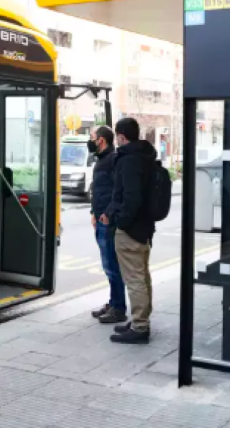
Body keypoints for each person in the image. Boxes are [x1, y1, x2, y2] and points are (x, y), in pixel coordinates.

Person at [100, 117, 156, 344]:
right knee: (142, 276)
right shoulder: (145, 157)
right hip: (144, 227)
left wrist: (120, 221)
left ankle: (140, 327)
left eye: (118, 136)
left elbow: (130, 197)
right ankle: (139, 320)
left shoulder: (128, 160)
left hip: (131, 229)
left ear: (122, 136)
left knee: (134, 278)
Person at [87, 126, 126, 324]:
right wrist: (94, 213)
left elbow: (116, 191)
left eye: (91, 137)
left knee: (112, 265)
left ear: (101, 140)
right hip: (100, 218)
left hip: (108, 221)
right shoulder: (102, 160)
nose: (90, 140)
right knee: (108, 264)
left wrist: (107, 215)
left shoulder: (112, 160)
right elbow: (98, 190)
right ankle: (113, 302)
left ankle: (119, 307)